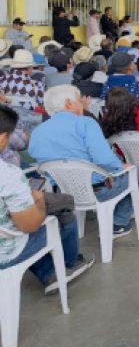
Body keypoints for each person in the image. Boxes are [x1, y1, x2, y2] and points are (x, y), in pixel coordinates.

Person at [28, 86, 139, 237]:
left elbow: (36, 156)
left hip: (63, 191)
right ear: (69, 103)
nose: (82, 104)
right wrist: (121, 165)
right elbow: (104, 159)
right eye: (79, 101)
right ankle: (120, 222)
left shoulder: (38, 131)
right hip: (98, 190)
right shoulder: (85, 123)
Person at [0, 105, 94, 294]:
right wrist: (39, 200)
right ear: (3, 137)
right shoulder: (7, 174)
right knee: (63, 207)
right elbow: (28, 226)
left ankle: (49, 272)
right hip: (6, 251)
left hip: (15, 198)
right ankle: (70, 263)